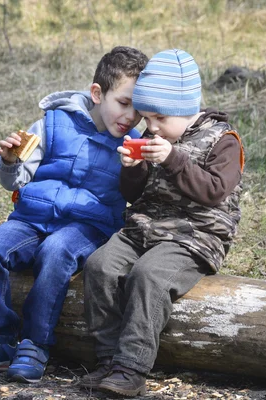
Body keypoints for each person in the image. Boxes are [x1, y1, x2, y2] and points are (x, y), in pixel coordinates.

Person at [0, 46, 149, 384]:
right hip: (32, 218)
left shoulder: (132, 145)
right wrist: (10, 162)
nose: (131, 117)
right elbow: (16, 178)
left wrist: (138, 168)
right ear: (97, 93)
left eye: (139, 111)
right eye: (124, 103)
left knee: (56, 251)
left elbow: (137, 193)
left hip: (89, 227)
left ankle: (34, 344)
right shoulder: (53, 123)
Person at [81, 49, 245, 397]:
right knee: (99, 265)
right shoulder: (157, 134)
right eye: (146, 116)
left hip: (195, 237)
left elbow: (215, 191)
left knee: (149, 275)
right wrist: (132, 167)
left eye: (158, 117)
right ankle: (107, 359)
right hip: (145, 227)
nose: (150, 126)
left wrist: (174, 159)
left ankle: (131, 367)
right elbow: (134, 193)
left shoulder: (223, 140)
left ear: (185, 108)